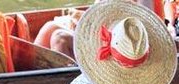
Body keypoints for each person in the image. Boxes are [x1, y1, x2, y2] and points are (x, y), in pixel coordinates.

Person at [33, 1, 165, 59]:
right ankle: (38, 76)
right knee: (49, 28)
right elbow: (99, 13)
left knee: (59, 37)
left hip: (122, 44)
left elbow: (146, 26)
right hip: (100, 34)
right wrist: (80, 19)